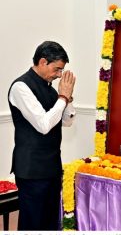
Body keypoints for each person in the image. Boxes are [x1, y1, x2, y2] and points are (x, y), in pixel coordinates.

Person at [8, 41, 76, 230]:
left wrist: (67, 99)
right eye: (57, 69)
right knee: (33, 222)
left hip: (51, 166)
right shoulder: (21, 87)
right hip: (31, 170)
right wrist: (62, 97)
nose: (59, 75)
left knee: (49, 222)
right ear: (43, 61)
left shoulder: (50, 88)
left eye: (62, 70)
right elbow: (44, 125)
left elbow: (67, 121)